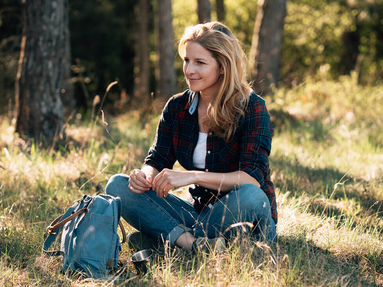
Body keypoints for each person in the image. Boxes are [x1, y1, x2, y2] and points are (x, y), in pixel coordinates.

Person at [106, 21, 277, 254]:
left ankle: (169, 240)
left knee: (251, 195)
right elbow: (157, 159)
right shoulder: (177, 106)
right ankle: (193, 245)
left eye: (200, 63)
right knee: (118, 184)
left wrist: (192, 176)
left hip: (243, 215)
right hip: (197, 214)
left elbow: (251, 179)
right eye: (186, 60)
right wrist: (144, 176)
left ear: (223, 67)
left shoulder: (252, 107)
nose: (189, 70)